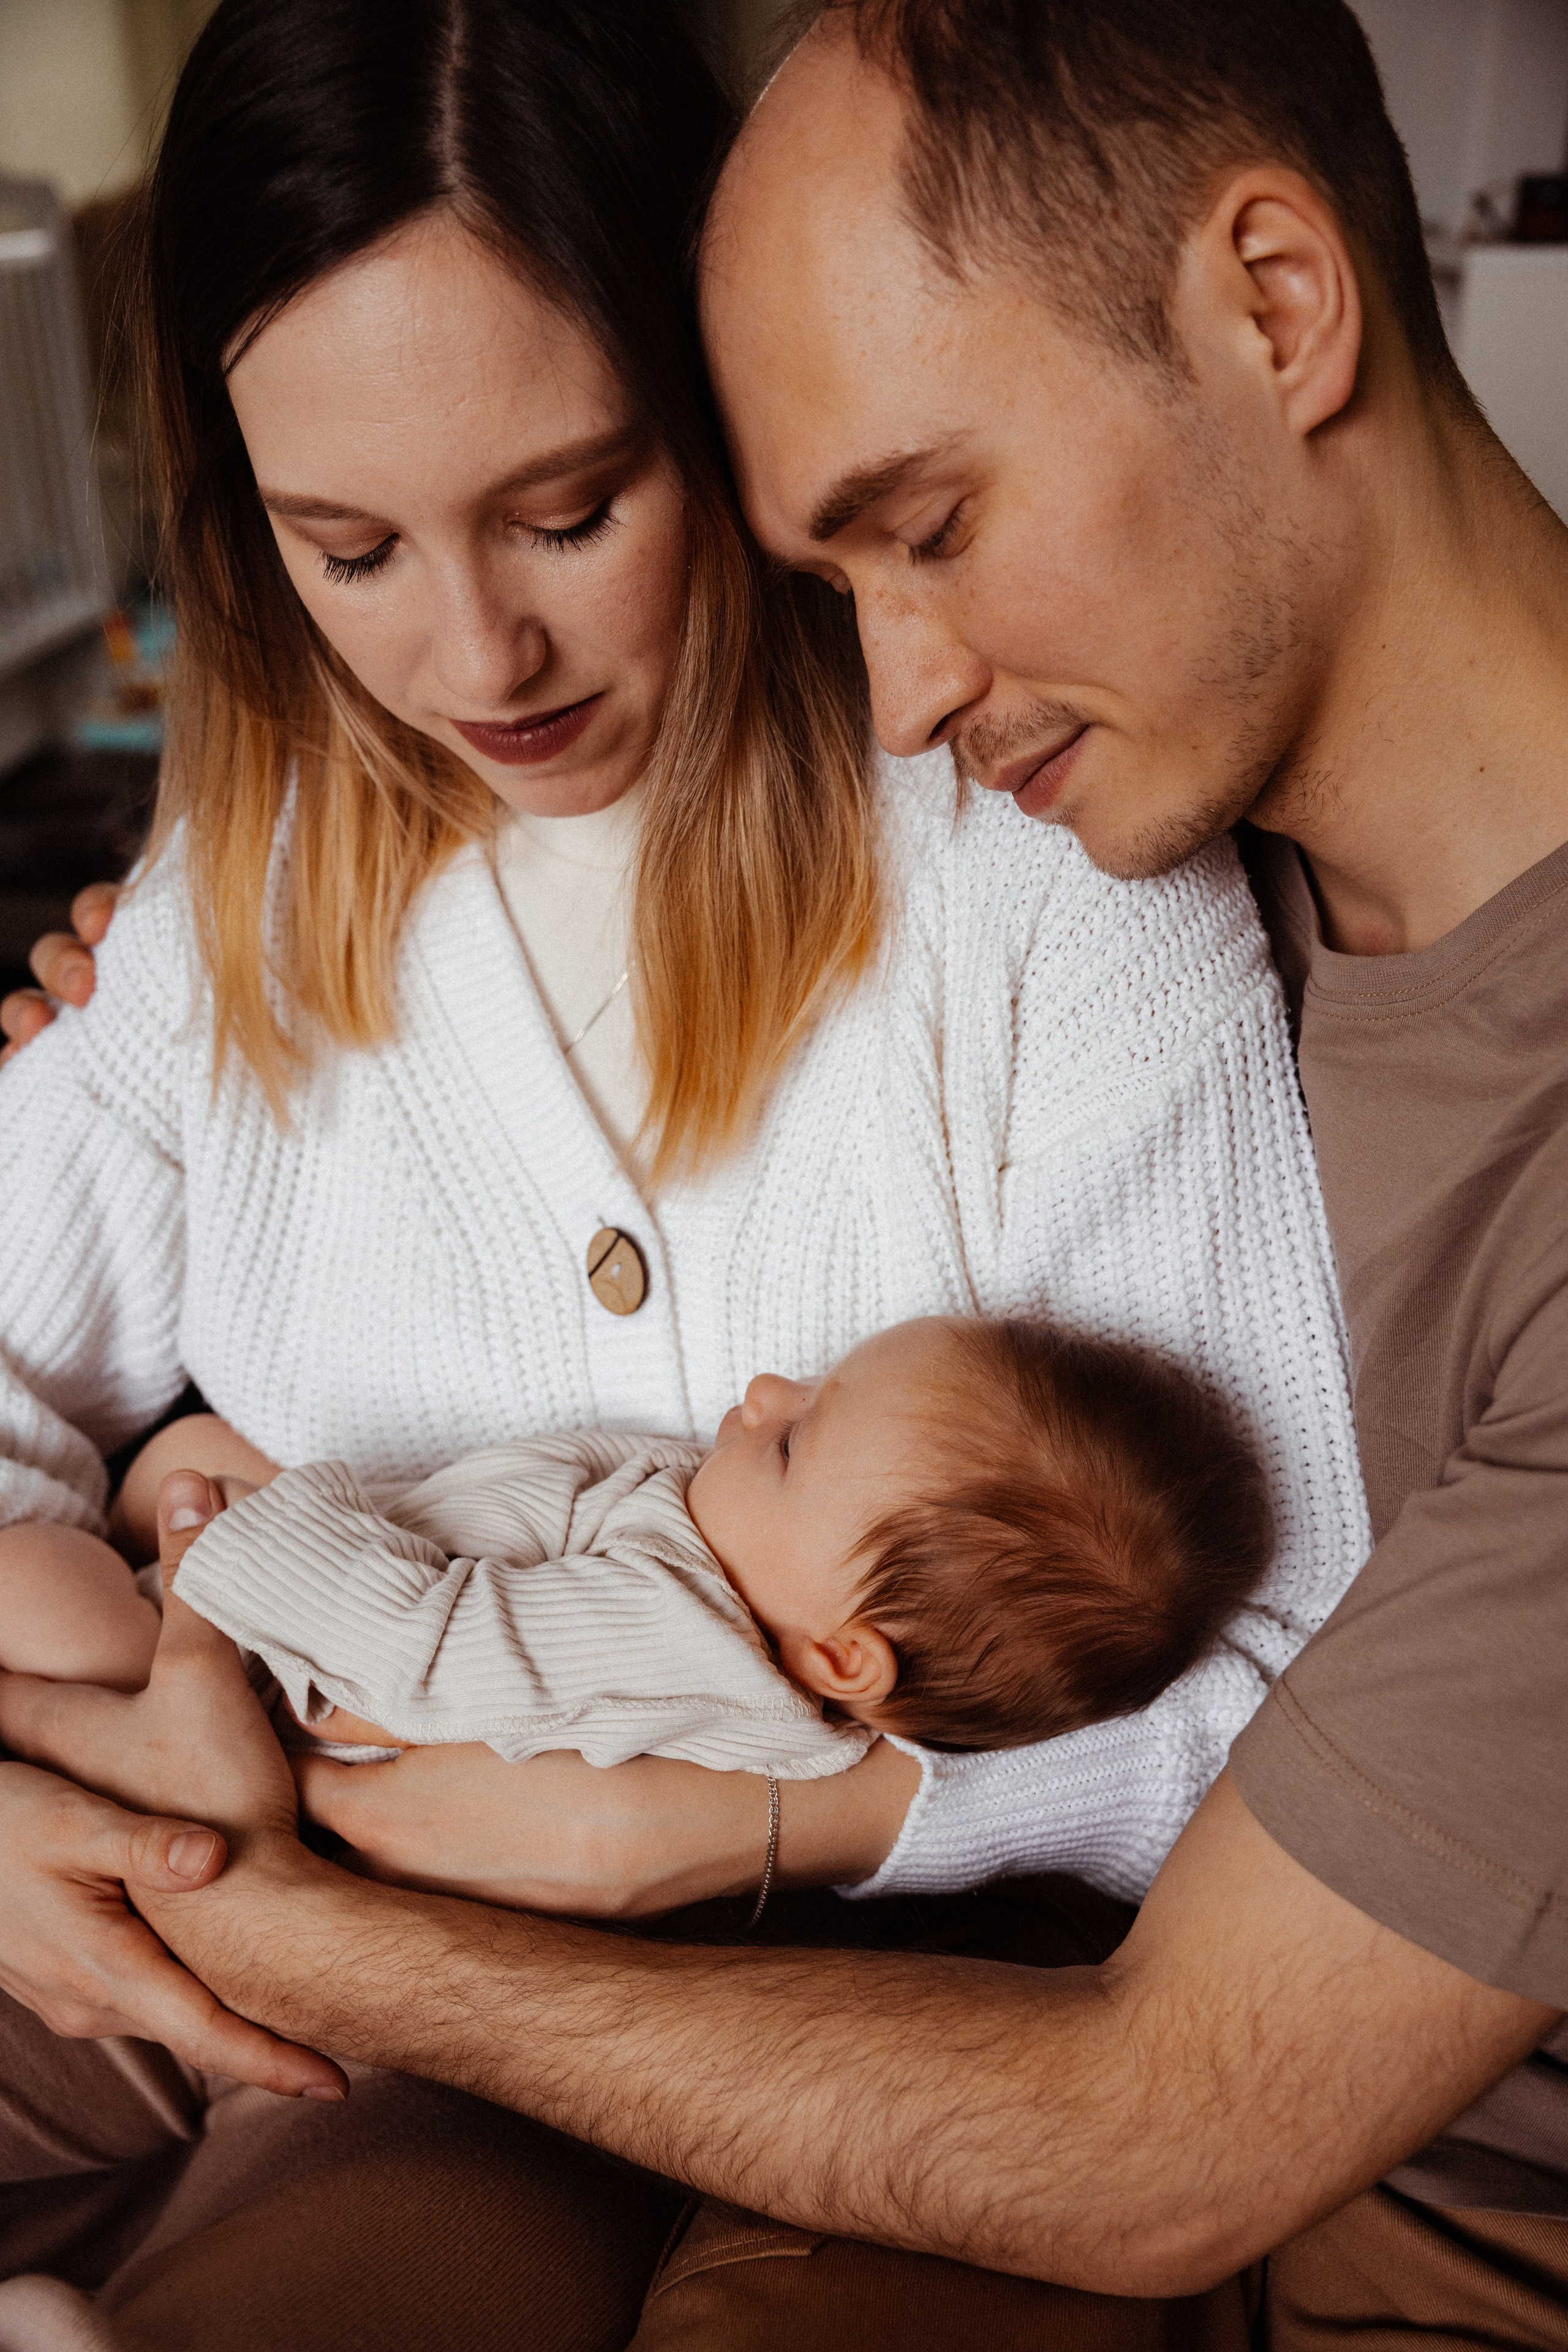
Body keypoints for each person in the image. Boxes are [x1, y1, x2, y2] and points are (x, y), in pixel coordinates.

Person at [0, 0, 1365, 2344]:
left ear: (731, 408)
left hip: (966, 2001)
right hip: (365, 1956)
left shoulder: (1038, 839)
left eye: (569, 508)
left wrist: (764, 1827)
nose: (474, 654)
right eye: (348, 546)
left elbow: (1294, 1667)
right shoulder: (248, 878)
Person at [3, 1316, 1275, 1770]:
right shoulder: (722, 1558)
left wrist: (249, 1526)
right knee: (146, 1489)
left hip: (262, 1682)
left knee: (45, 1588)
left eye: (793, 1440)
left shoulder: (676, 1639)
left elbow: (429, 1652)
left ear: (840, 1659)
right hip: (277, 1609)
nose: (766, 1390)